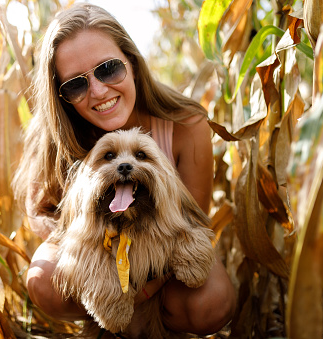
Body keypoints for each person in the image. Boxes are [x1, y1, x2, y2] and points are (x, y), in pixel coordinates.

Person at [12, 3, 236, 336]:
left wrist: (134, 290)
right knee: (44, 279)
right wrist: (98, 272)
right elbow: (40, 213)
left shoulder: (186, 124)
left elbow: (191, 222)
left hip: (159, 248)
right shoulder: (55, 135)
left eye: (108, 68)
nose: (99, 91)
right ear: (63, 97)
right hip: (88, 245)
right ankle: (104, 319)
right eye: (76, 85)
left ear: (131, 62)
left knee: (211, 300)